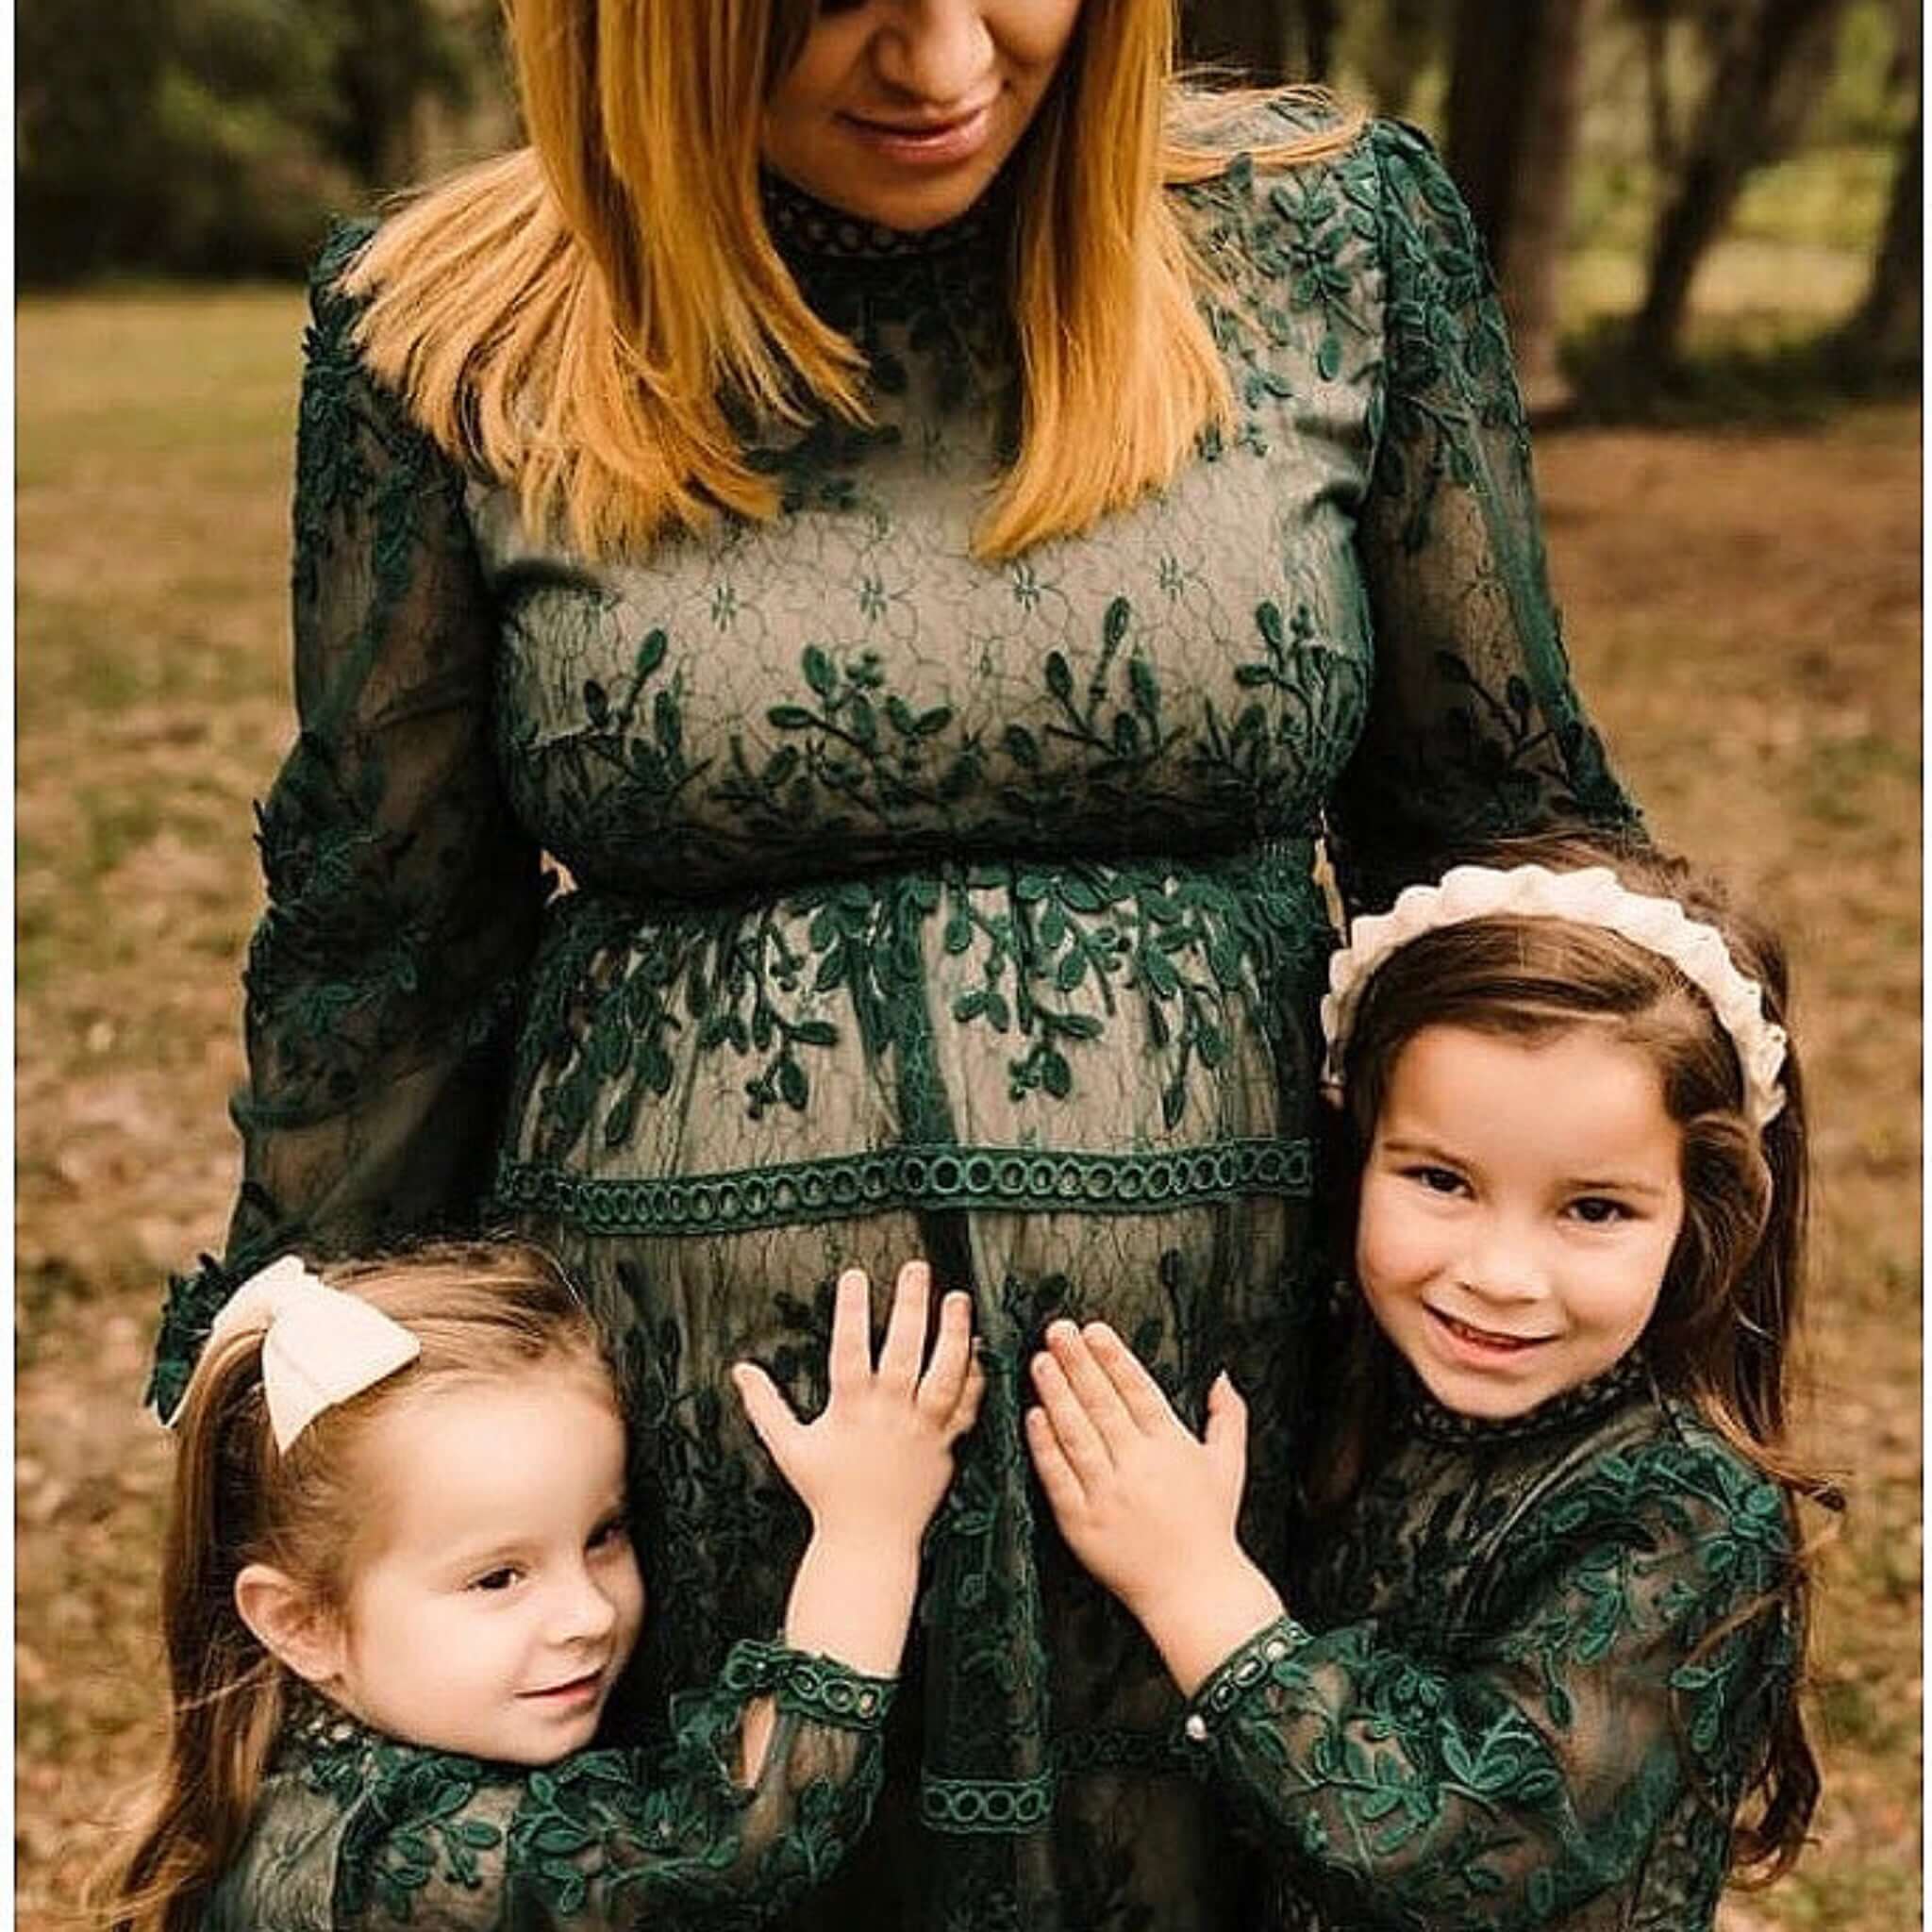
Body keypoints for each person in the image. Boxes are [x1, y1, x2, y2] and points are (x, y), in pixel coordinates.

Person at [148, 1, 1643, 1923]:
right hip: (690, 1469)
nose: (939, 60)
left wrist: (1643, 1338)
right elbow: (388, 943)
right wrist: (285, 1459)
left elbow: (1505, 850)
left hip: (1247, 1421)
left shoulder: (1325, 243)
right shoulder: (448, 324)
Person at [1024, 836, 1835, 1929]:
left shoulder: (1681, 1511)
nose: (1498, 1276)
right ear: (1356, 1148)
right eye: (1439, 1178)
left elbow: (1477, 1854)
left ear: (1702, 1214)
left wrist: (1193, 1587)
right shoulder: (1348, 1387)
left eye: (1592, 1208)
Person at [99, 1245, 981, 1929]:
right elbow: (740, 1846)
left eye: (602, 1536)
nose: (587, 1615)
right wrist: (866, 1532)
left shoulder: (300, 1775)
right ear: (302, 1624)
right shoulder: (401, 1862)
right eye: (498, 1577)